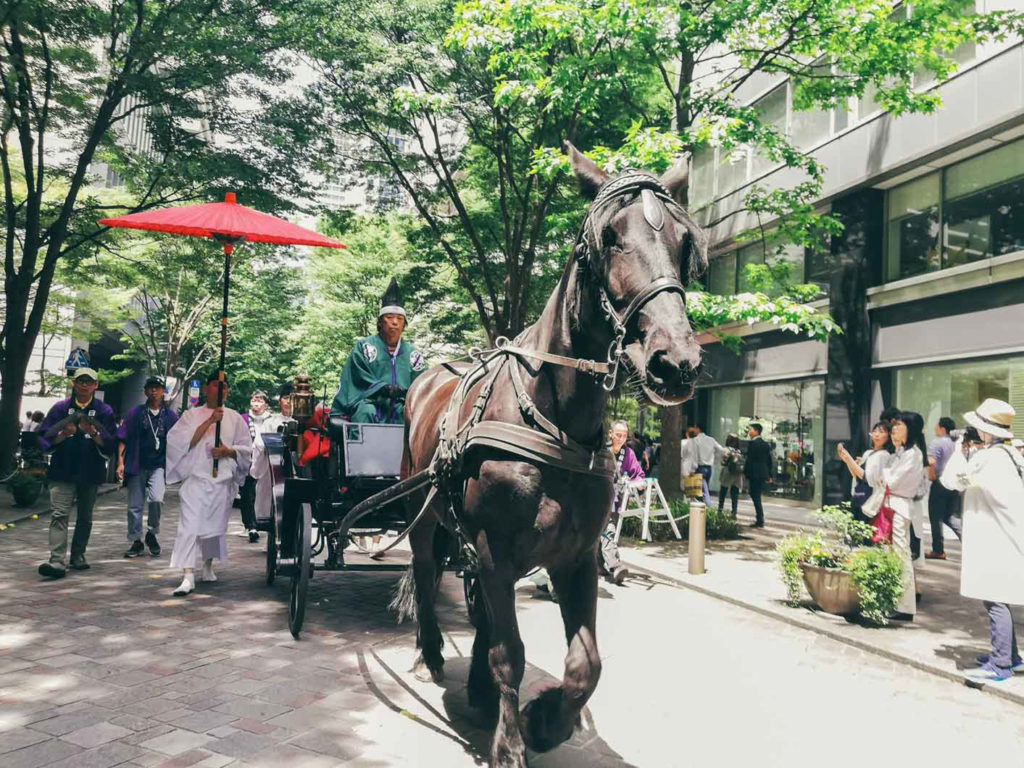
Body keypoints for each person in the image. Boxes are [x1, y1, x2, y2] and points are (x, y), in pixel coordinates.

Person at [941, 398, 1024, 682]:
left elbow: (951, 480)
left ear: (987, 432)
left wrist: (957, 450)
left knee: (995, 600)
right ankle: (1011, 657)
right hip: (1006, 537)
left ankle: (1000, 664)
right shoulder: (1011, 454)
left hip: (996, 541)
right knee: (1001, 597)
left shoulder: (989, 459)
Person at [165, 373, 252, 597]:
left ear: (228, 391)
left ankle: (208, 565)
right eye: (215, 385)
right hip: (196, 480)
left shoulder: (234, 418)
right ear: (206, 388)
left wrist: (228, 451)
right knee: (189, 526)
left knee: (214, 528)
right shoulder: (191, 415)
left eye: (224, 387)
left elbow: (246, 450)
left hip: (221, 482)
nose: (220, 390)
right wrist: (210, 421)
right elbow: (180, 444)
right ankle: (187, 575)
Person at [35, 368, 117, 579]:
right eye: (80, 381)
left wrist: (94, 433)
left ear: (95, 385)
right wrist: (63, 434)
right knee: (59, 514)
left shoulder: (104, 411)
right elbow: (43, 438)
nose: (84, 385)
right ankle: (56, 561)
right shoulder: (61, 408)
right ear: (73, 383)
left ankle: (78, 555)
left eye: (88, 382)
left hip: (90, 471)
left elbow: (110, 444)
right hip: (63, 470)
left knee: (85, 517)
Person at [331, 278, 428, 424]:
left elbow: (423, 382)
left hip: (401, 404)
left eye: (400, 319)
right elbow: (358, 378)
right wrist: (383, 388)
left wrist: (405, 392)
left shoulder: (413, 355)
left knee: (409, 416)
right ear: (380, 322)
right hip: (369, 401)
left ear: (404, 324)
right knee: (366, 412)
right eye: (389, 317)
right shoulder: (365, 347)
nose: (395, 322)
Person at [117, 377, 178, 558]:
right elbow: (123, 438)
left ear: (163, 392)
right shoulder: (135, 413)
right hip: (137, 465)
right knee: (134, 506)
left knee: (156, 499)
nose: (154, 391)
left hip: (158, 466)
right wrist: (120, 463)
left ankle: (152, 534)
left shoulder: (170, 416)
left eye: (157, 388)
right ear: (145, 391)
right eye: (150, 388)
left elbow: (178, 440)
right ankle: (136, 541)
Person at [880, 411, 929, 620]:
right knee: (892, 553)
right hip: (892, 505)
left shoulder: (913, 455)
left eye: (899, 425)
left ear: (910, 429)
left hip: (900, 506)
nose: (894, 429)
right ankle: (896, 600)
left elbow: (890, 480)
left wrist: (885, 475)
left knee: (901, 555)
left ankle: (905, 606)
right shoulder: (900, 453)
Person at [600, 420, 644, 584]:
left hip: (617, 501)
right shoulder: (602, 451)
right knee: (608, 531)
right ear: (611, 433)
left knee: (605, 533)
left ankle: (600, 565)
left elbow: (638, 473)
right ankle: (615, 565)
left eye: (624, 436)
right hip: (599, 500)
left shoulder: (629, 454)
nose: (621, 438)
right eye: (618, 435)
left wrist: (640, 484)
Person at [837, 421, 894, 522]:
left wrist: (849, 459)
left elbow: (868, 479)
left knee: (864, 530)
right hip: (858, 495)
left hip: (869, 500)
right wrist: (846, 460)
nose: (877, 434)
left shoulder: (884, 455)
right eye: (875, 431)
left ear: (888, 436)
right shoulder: (868, 453)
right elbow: (856, 475)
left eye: (881, 432)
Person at [925, 416, 962, 560]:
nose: (934, 428)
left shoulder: (937, 443)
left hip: (940, 482)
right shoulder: (956, 444)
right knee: (950, 516)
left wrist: (931, 476)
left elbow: (931, 461)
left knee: (935, 517)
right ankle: (968, 541)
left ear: (942, 429)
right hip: (954, 483)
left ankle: (938, 550)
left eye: (936, 426)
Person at [239, 390, 271, 543]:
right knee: (248, 493)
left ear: (265, 404)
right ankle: (251, 525)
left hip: (266, 460)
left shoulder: (271, 420)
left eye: (259, 401)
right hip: (247, 459)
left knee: (263, 492)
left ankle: (263, 520)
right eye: (253, 401)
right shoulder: (243, 419)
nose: (256, 404)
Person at [744, 424, 773, 527]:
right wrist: (769, 475)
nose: (749, 431)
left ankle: (760, 519)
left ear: (756, 431)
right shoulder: (765, 444)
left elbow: (749, 460)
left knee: (755, 495)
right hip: (762, 473)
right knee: (756, 495)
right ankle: (760, 518)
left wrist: (746, 473)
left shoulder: (753, 444)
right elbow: (769, 461)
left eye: (751, 429)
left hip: (754, 473)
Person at [691, 425, 725, 507]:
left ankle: (710, 507)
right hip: (709, 468)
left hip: (699, 468)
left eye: (694, 428)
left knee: (703, 492)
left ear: (698, 429)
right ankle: (703, 510)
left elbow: (693, 455)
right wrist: (715, 460)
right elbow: (721, 450)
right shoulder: (711, 440)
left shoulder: (695, 440)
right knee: (703, 490)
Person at [717, 434, 743, 517]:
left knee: (723, 492)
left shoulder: (726, 450)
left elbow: (722, 462)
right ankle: (734, 512)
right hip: (738, 474)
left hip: (727, 472)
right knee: (735, 494)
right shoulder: (739, 451)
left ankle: (720, 510)